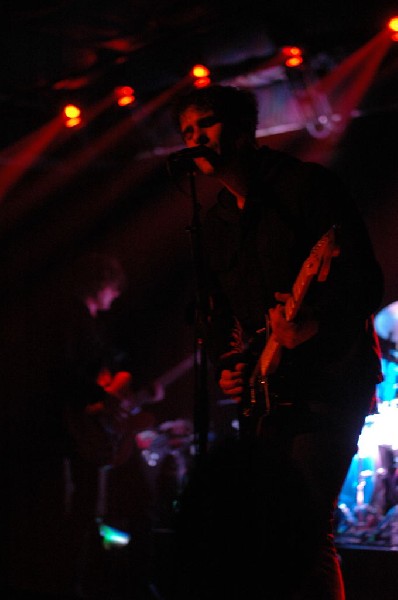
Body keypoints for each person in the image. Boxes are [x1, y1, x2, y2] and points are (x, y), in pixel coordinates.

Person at [169, 84, 384, 600]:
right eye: (187, 132)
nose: (196, 139)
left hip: (330, 382)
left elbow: (368, 281)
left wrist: (314, 324)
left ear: (243, 131)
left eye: (206, 125)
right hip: (268, 394)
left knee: (308, 528)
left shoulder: (306, 188)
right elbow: (222, 315)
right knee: (266, 533)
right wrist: (233, 363)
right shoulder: (216, 221)